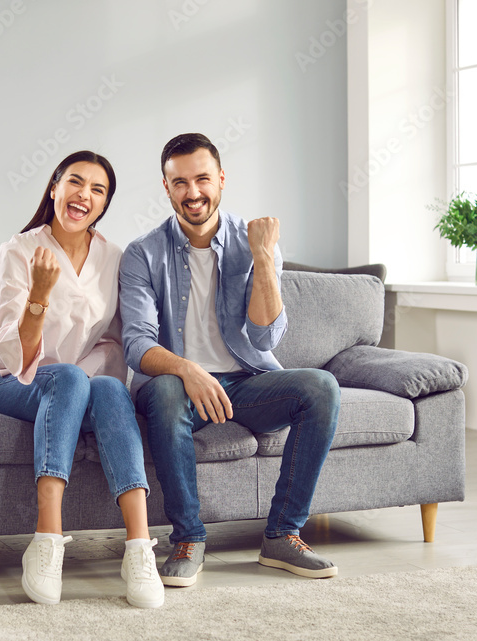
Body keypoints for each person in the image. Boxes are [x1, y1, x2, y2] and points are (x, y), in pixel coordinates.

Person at [119, 133, 341, 587]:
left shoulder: (254, 241)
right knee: (162, 390)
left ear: (221, 179)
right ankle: (188, 538)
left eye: (202, 179)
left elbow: (265, 335)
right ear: (166, 188)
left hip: (245, 384)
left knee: (321, 388)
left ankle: (283, 535)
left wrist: (261, 254)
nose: (193, 192)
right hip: (177, 389)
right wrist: (188, 369)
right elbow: (137, 346)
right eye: (180, 183)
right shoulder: (143, 254)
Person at [0, 150, 164, 609]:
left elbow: (113, 345)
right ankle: (47, 537)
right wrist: (38, 294)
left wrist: (88, 384)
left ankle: (139, 548)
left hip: (78, 385)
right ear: (54, 188)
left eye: (98, 190)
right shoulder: (18, 249)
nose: (84, 195)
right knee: (71, 381)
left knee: (110, 386)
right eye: (75, 182)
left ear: (104, 203)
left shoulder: (115, 257)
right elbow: (9, 352)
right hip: (6, 382)